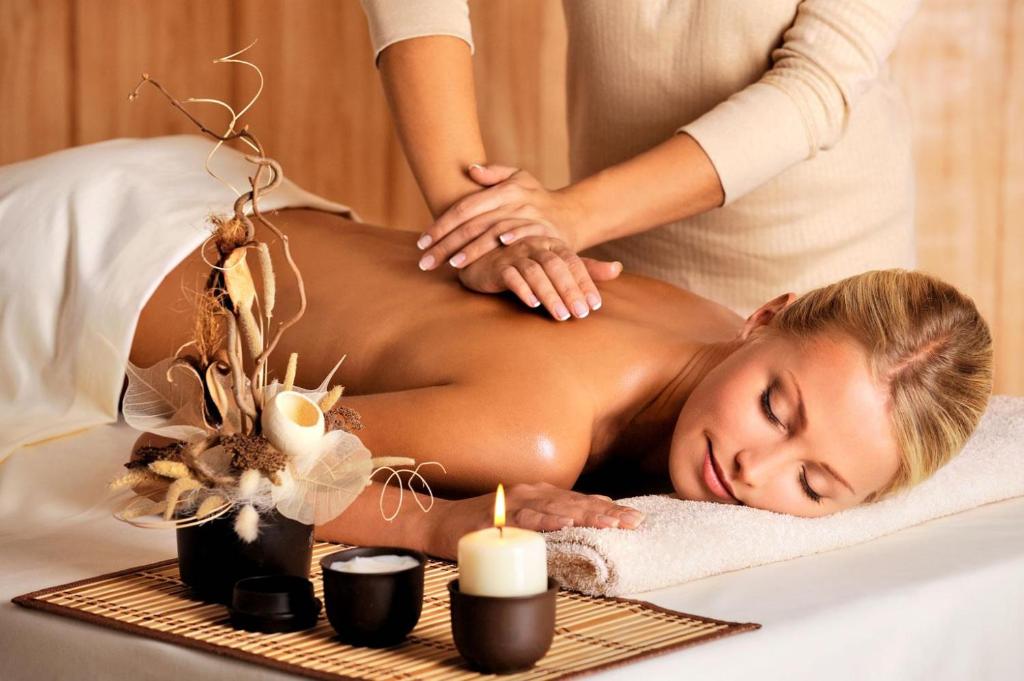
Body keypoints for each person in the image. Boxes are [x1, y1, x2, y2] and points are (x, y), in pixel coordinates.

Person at [130, 207, 992, 560]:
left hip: (237, 213)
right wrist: (436, 520)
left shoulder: (703, 325)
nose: (757, 468)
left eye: (815, 481)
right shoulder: (540, 430)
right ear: (765, 316)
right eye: (775, 407)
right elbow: (197, 461)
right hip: (117, 272)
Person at [359, 0, 921, 320]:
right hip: (616, 282)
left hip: (827, 289)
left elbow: (815, 86)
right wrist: (479, 226)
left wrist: (572, 215)